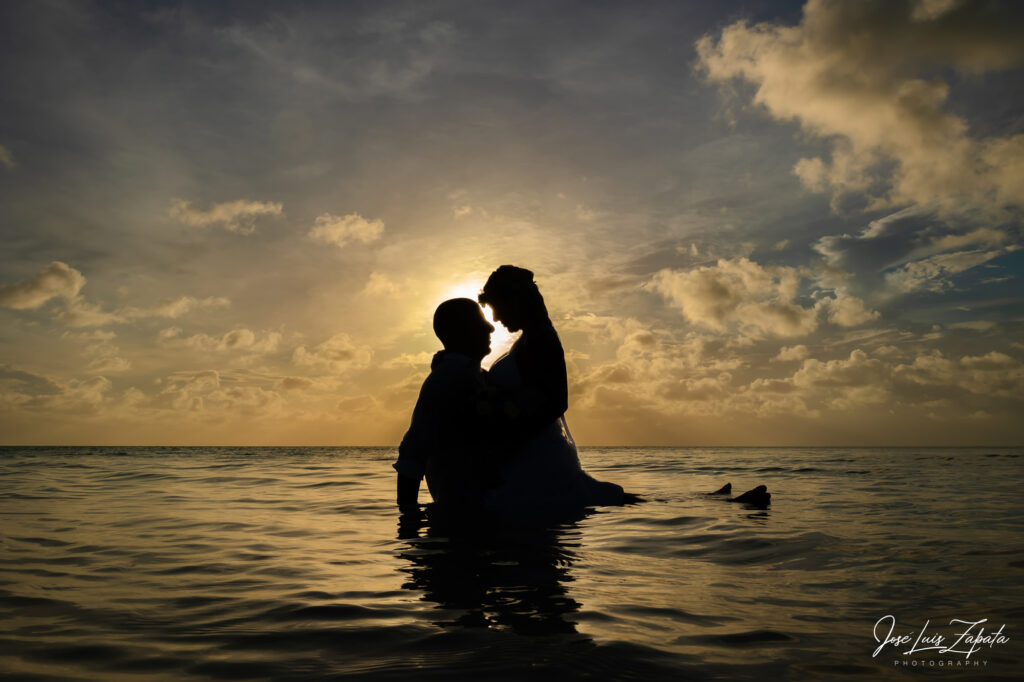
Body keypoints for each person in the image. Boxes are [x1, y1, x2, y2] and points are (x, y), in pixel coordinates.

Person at [477, 265, 629, 519]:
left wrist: (505, 443)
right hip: (528, 457)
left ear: (515, 302)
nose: (495, 318)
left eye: (496, 307)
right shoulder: (531, 338)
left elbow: (556, 402)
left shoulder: (540, 339)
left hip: (536, 461)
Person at [393, 298, 499, 513]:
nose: (491, 327)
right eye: (480, 321)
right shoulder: (446, 380)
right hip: (462, 515)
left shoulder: (476, 376)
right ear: (461, 331)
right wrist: (408, 523)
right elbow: (412, 453)